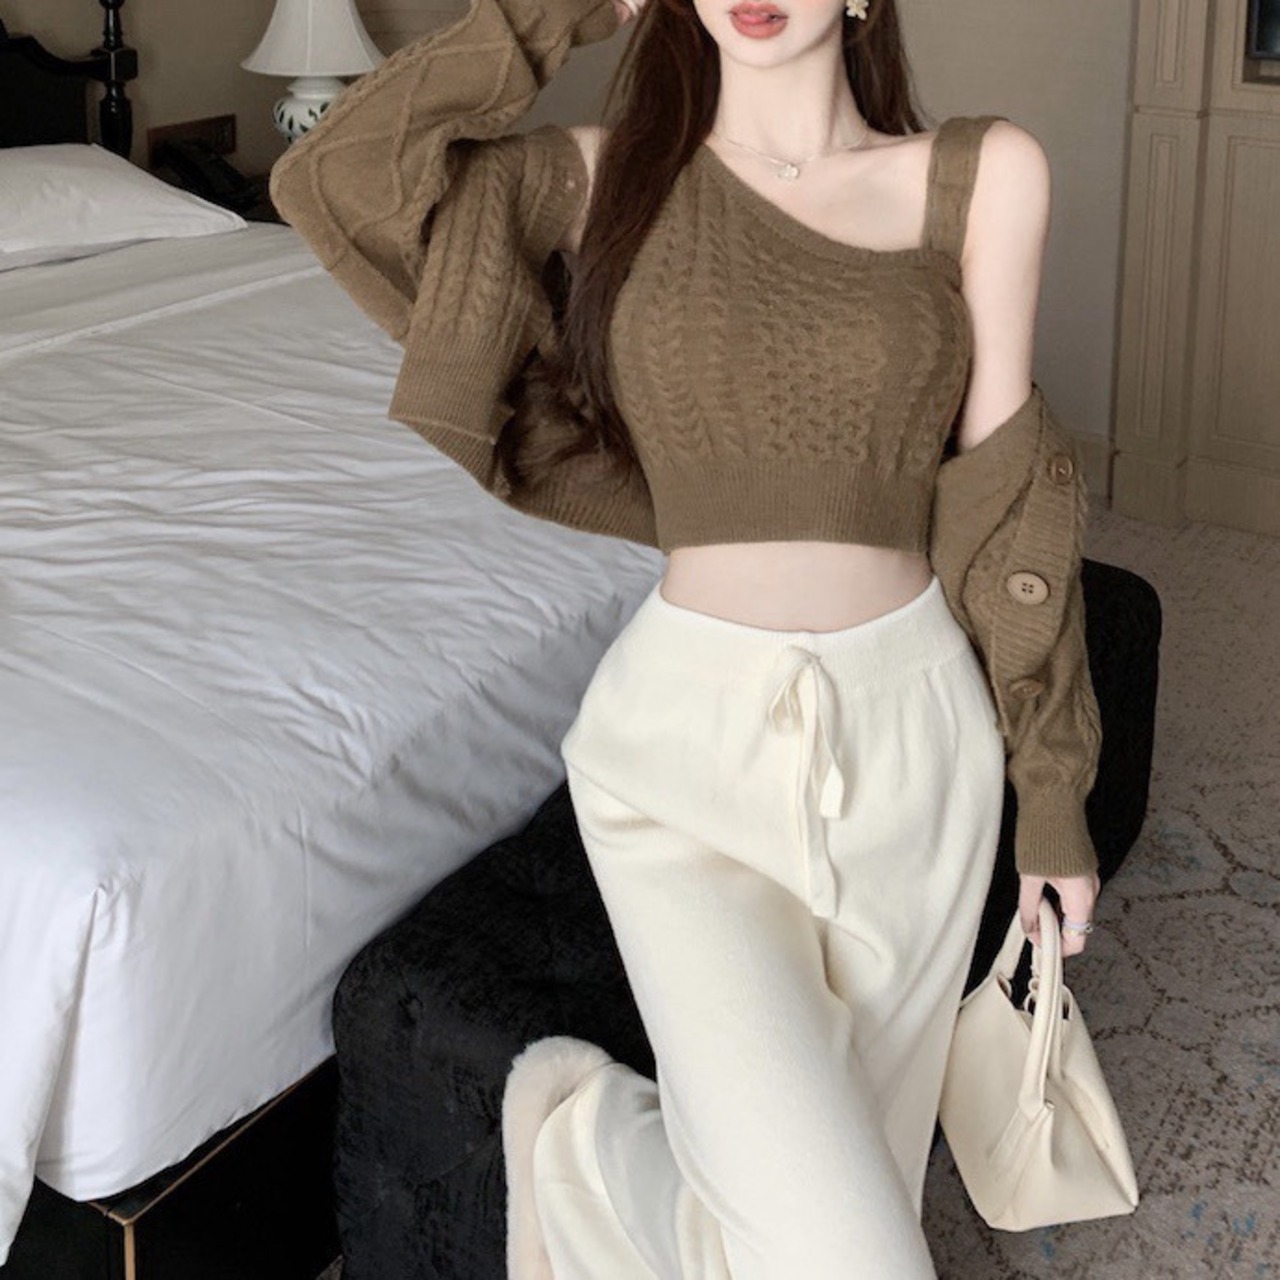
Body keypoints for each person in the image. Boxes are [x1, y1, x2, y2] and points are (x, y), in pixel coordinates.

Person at [271, 0, 1105, 1272]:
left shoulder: (981, 173)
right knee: (852, 1254)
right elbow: (333, 177)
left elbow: (1003, 510)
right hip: (679, 766)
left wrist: (1050, 790)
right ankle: (581, 1135)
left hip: (915, 752)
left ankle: (595, 1164)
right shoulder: (597, 177)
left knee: (838, 1198)